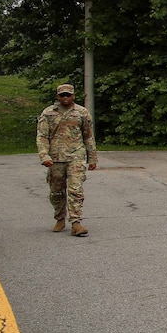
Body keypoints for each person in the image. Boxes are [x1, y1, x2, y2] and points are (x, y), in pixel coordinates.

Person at [36, 83, 98, 237]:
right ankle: (60, 217)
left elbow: (88, 136)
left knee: (75, 190)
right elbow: (42, 136)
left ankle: (76, 223)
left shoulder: (82, 113)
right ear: (58, 96)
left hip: (76, 156)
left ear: (73, 96)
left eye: (68, 95)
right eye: (62, 95)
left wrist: (92, 158)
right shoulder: (48, 113)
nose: (65, 97)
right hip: (55, 158)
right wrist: (44, 155)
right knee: (56, 192)